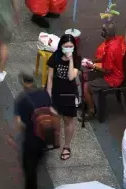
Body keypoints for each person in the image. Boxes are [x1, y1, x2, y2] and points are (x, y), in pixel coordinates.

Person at [45, 33, 80, 161]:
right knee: (54, 118)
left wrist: (70, 60)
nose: (68, 49)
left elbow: (71, 76)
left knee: (68, 120)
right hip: (56, 92)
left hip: (69, 94)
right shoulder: (55, 57)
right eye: (66, 46)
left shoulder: (76, 59)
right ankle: (55, 141)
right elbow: (49, 78)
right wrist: (48, 95)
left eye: (71, 46)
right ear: (61, 46)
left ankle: (67, 146)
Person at [82, 23, 126, 114]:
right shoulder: (115, 41)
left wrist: (93, 66)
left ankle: (91, 111)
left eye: (103, 30)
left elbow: (108, 71)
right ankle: (86, 99)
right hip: (117, 71)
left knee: (86, 86)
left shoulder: (111, 49)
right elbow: (105, 57)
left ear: (106, 33)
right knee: (85, 75)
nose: (101, 31)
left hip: (113, 78)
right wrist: (93, 61)